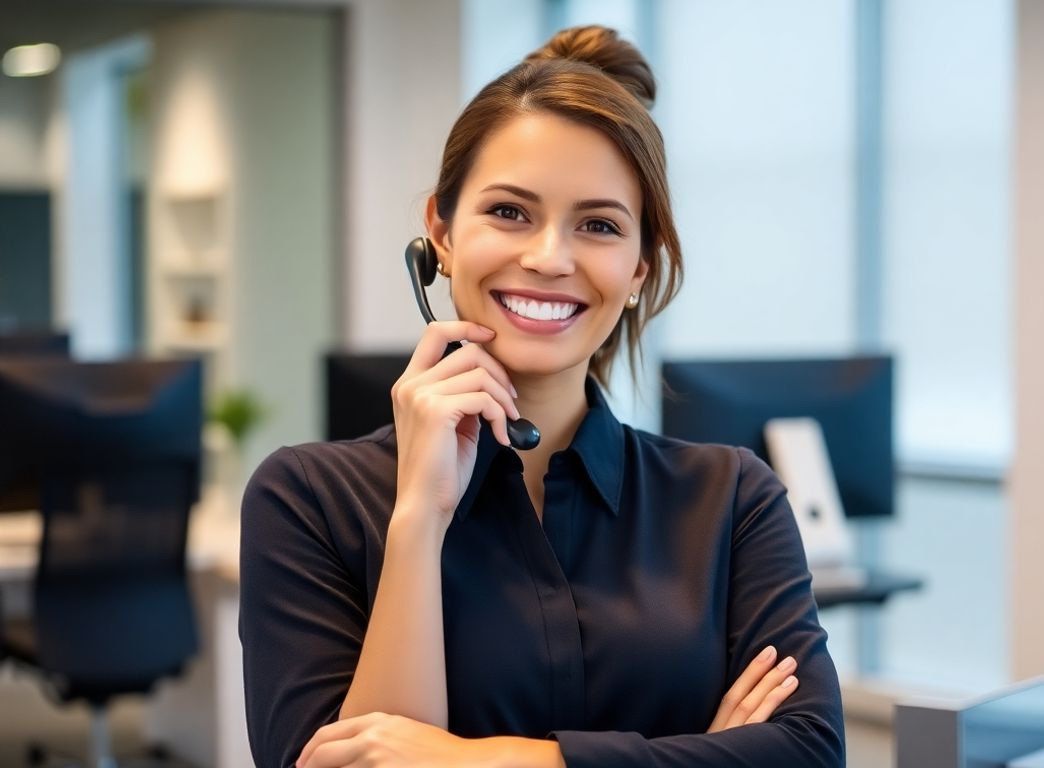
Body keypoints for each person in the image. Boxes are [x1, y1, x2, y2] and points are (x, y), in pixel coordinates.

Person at [239, 25, 844, 768]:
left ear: (638, 273)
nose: (549, 258)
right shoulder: (307, 501)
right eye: (509, 212)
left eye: (598, 225)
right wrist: (418, 522)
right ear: (441, 231)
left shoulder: (731, 500)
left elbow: (809, 754)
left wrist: (473, 760)